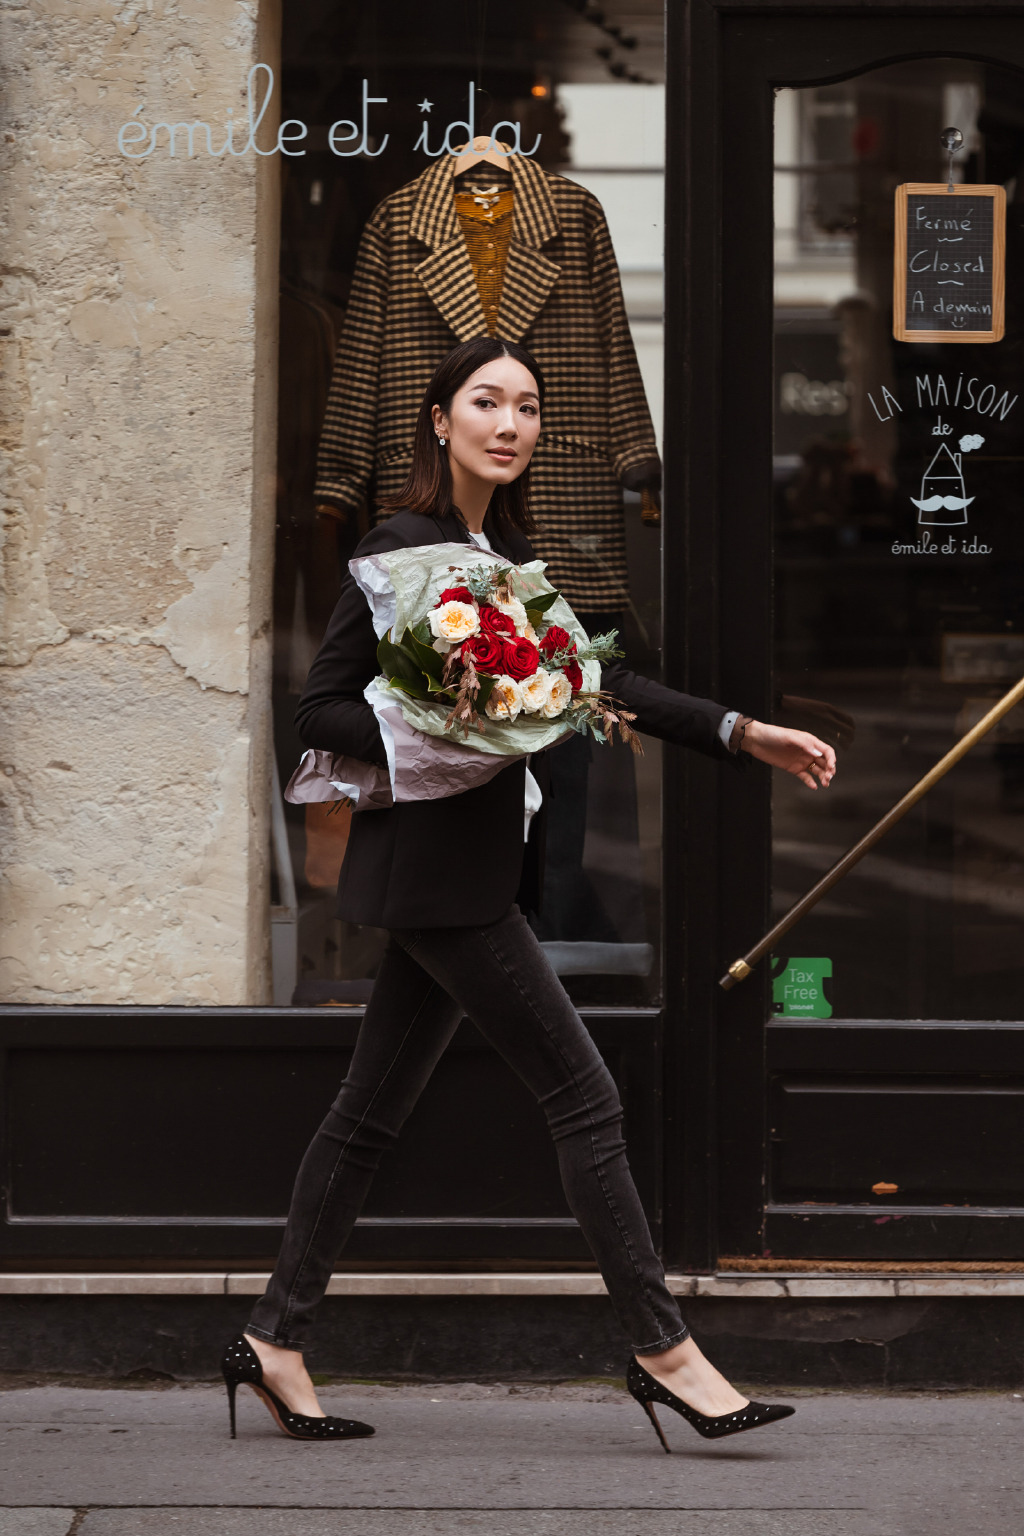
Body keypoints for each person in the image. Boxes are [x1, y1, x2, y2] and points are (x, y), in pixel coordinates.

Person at [222, 336, 836, 1447]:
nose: (508, 423)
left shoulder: (498, 554)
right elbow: (318, 714)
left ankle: (273, 1336)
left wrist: (745, 733)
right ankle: (666, 1352)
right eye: (485, 402)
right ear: (440, 418)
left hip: (451, 880)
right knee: (585, 1098)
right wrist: (453, 725)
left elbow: (596, 681)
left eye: (526, 407)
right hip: (445, 885)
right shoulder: (399, 548)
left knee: (366, 1118)